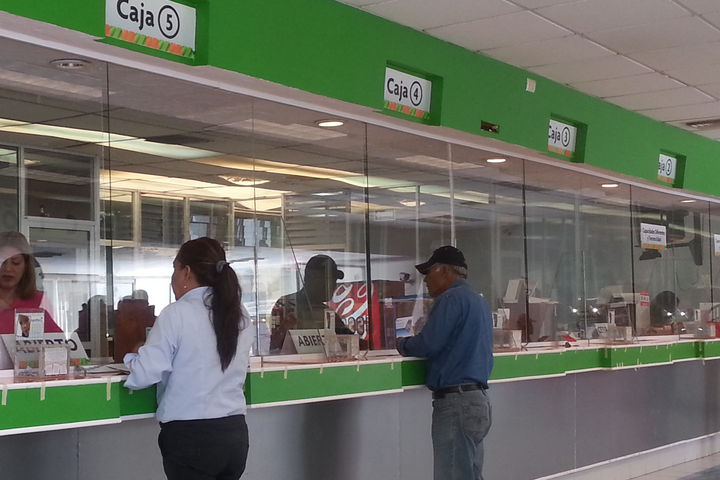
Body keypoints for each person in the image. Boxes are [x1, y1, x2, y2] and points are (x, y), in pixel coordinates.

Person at [124, 237, 254, 480]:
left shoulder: (176, 314)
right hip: (234, 434)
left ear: (186, 272)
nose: (172, 277)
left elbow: (144, 375)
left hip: (191, 438)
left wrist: (132, 357)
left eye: (174, 269)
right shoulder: (240, 315)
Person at [395, 245, 494, 480]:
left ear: (444, 271)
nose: (425, 280)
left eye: (428, 273)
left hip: (456, 403)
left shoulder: (451, 298)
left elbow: (428, 344)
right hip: (478, 401)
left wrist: (401, 344)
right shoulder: (478, 301)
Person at [269, 254, 351, 351]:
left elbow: (350, 340)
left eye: (334, 281)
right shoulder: (286, 305)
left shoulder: (326, 312)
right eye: (328, 280)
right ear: (311, 278)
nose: (333, 285)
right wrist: (285, 327)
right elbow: (274, 346)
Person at [0, 231, 62, 335]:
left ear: (26, 266)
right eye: (2, 262)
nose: (8, 268)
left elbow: (57, 342)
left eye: (16, 262)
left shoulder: (40, 301)